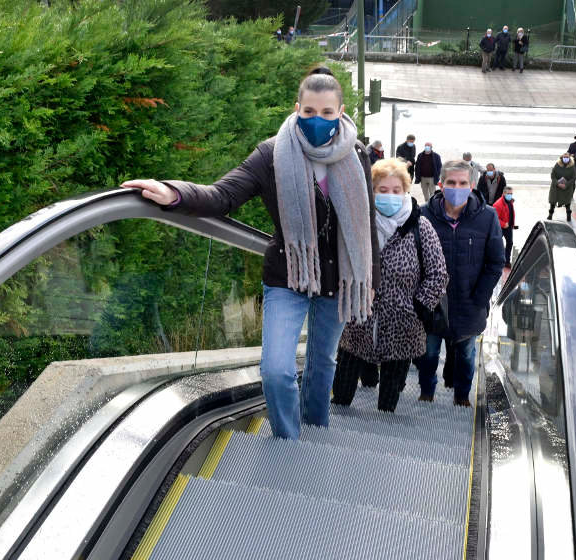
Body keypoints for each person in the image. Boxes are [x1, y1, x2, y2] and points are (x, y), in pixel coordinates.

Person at [121, 67, 379, 440]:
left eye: (326, 113)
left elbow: (365, 223)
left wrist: (372, 283)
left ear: (340, 113)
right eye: (308, 112)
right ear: (296, 108)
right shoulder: (272, 154)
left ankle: (316, 432)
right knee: (276, 370)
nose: (316, 120)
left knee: (323, 363)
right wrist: (174, 192)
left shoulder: (355, 154)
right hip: (287, 276)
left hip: (339, 279)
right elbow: (222, 195)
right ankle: (288, 441)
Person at [332, 159, 448, 412]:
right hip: (357, 320)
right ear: (371, 191)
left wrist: (418, 306)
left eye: (396, 190)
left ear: (406, 190)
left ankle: (385, 421)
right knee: (341, 391)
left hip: (403, 324)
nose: (389, 196)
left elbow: (438, 274)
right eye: (382, 190)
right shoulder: (359, 223)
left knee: (389, 400)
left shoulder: (420, 226)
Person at [416, 160, 505, 407]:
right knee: (428, 353)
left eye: (463, 183)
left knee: (466, 356)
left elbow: (495, 262)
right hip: (433, 306)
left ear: (472, 185)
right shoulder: (423, 215)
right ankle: (426, 392)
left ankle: (461, 396)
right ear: (441, 185)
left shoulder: (487, 217)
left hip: (469, 306)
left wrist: (479, 299)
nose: (457, 187)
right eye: (452, 183)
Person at [492, 185, 518, 267]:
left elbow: (510, 213)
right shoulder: (498, 204)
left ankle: (507, 261)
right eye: (508, 193)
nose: (510, 195)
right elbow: (495, 218)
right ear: (504, 193)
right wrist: (503, 224)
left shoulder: (510, 202)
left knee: (510, 243)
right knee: (497, 244)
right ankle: (495, 260)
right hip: (500, 228)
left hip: (509, 227)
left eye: (511, 193)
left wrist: (512, 224)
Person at [548, 152, 576, 221]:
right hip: (556, 188)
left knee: (567, 203)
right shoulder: (557, 165)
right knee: (552, 202)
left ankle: (568, 215)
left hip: (566, 189)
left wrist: (566, 185)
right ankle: (550, 214)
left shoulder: (572, 167)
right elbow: (553, 175)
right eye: (564, 157)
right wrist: (557, 183)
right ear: (561, 158)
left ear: (569, 159)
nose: (565, 159)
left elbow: (573, 178)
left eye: (567, 158)